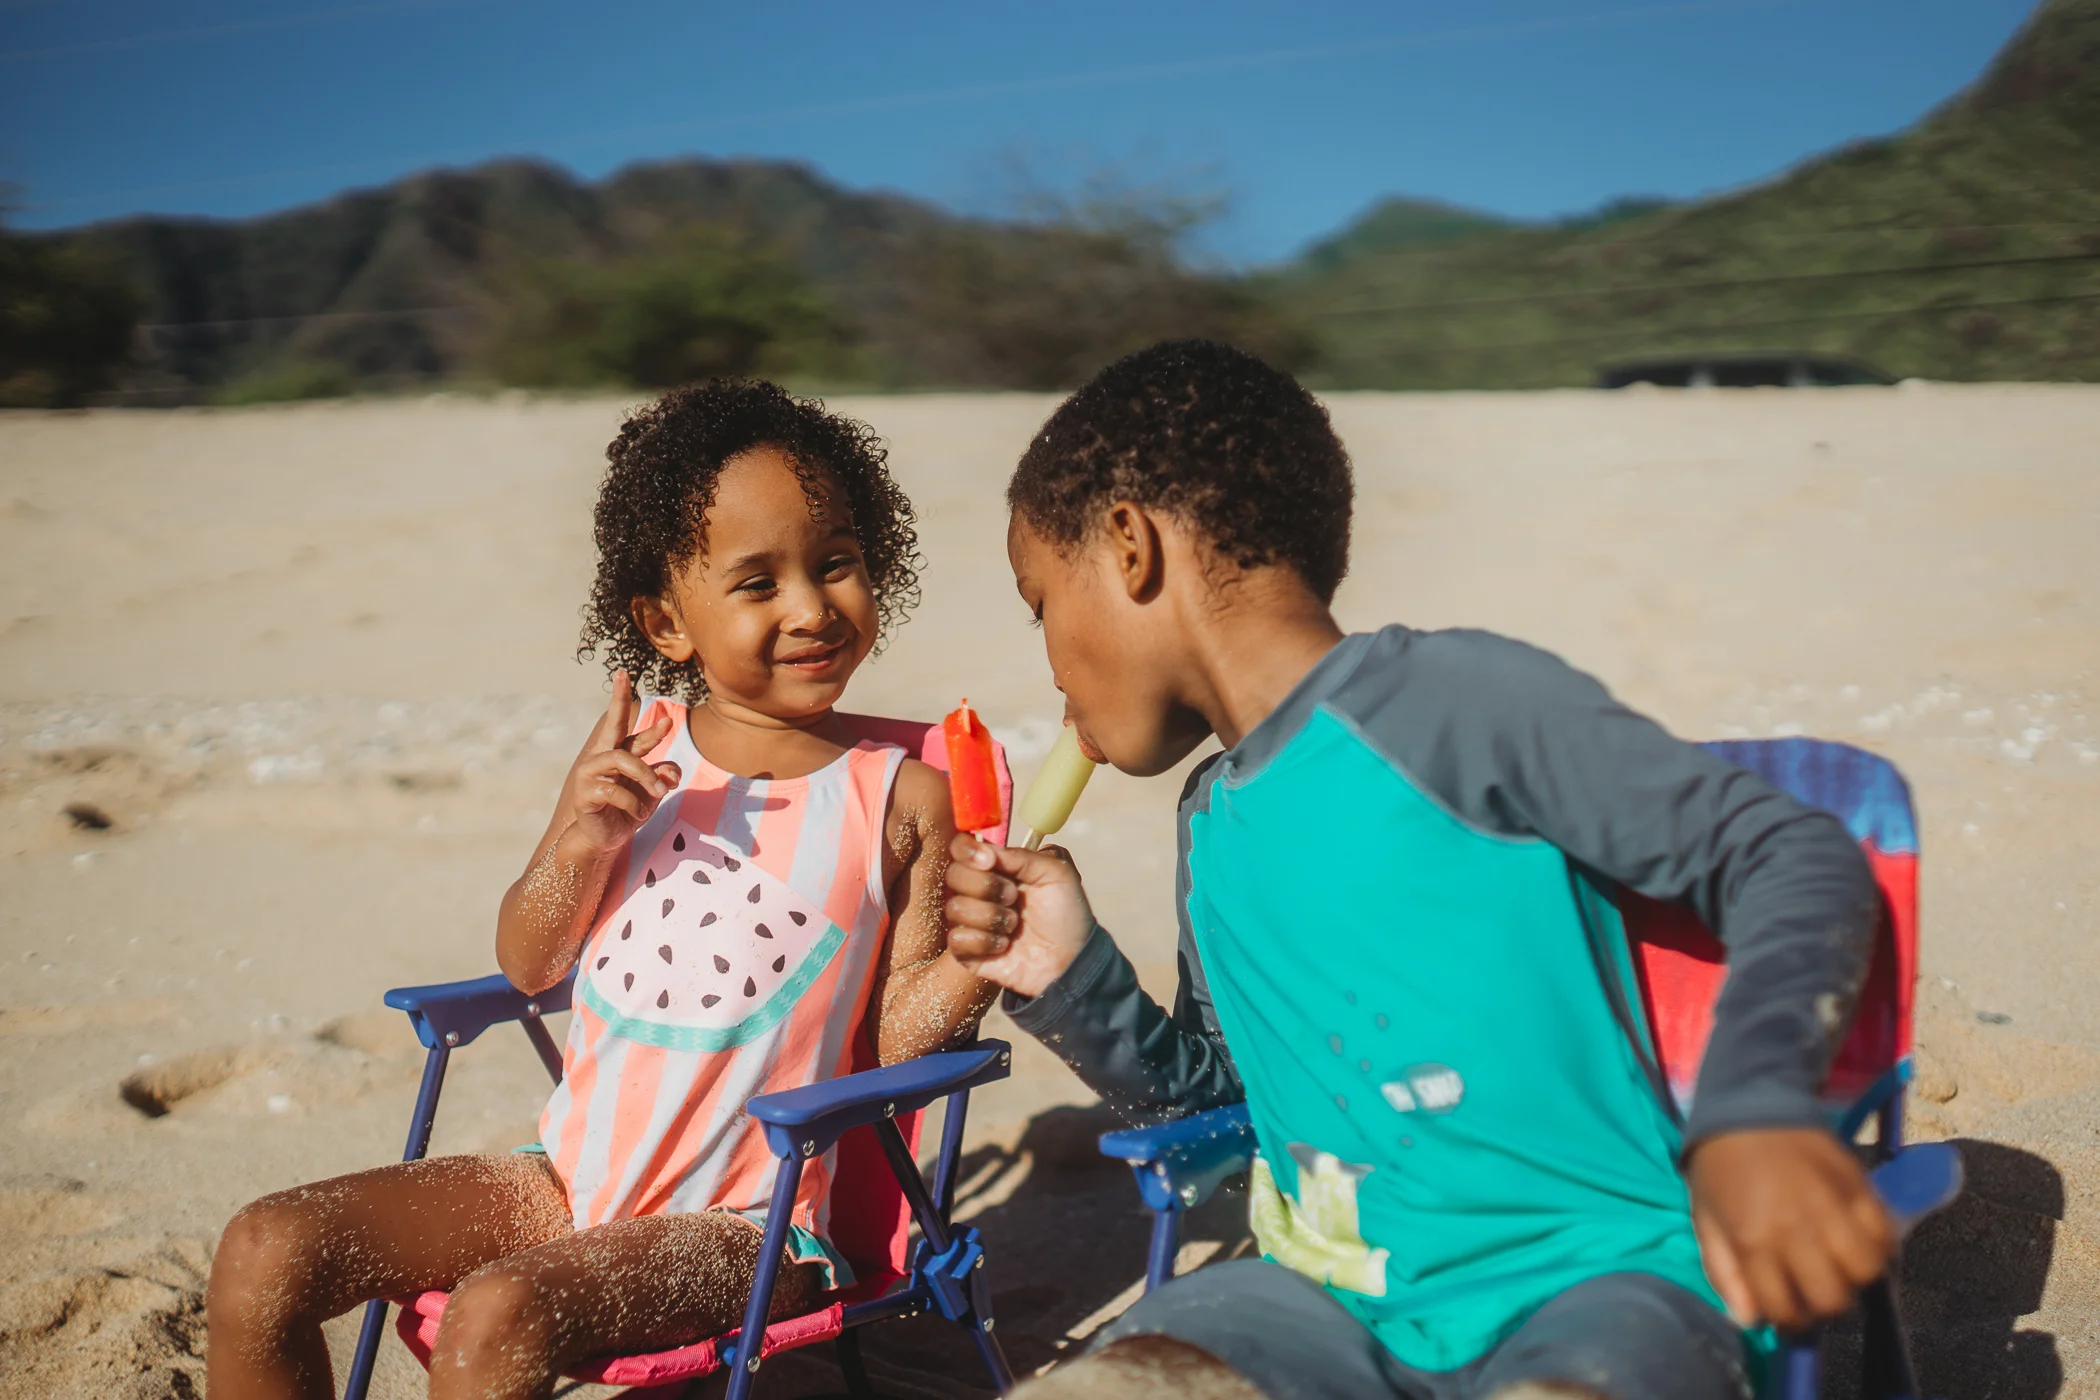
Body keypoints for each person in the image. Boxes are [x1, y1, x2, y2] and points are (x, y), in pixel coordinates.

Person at [942, 340, 1895, 1400]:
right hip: (1315, 1305)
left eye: (1041, 604)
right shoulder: (1211, 820)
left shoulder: (1451, 700)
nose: (1050, 655)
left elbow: (1787, 850)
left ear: (1129, 545)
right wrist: (1070, 974)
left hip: (1597, 1285)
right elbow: (1227, 1118)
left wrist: (1755, 1111)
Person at [206, 381, 994, 1400]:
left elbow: (887, 1046)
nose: (810, 606)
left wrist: (978, 957)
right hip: (568, 1178)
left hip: (748, 1223)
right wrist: (576, 842)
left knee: (494, 1313)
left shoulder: (903, 795)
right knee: (265, 1246)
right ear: (667, 622)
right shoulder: (639, 753)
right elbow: (531, 960)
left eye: (834, 563)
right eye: (757, 582)